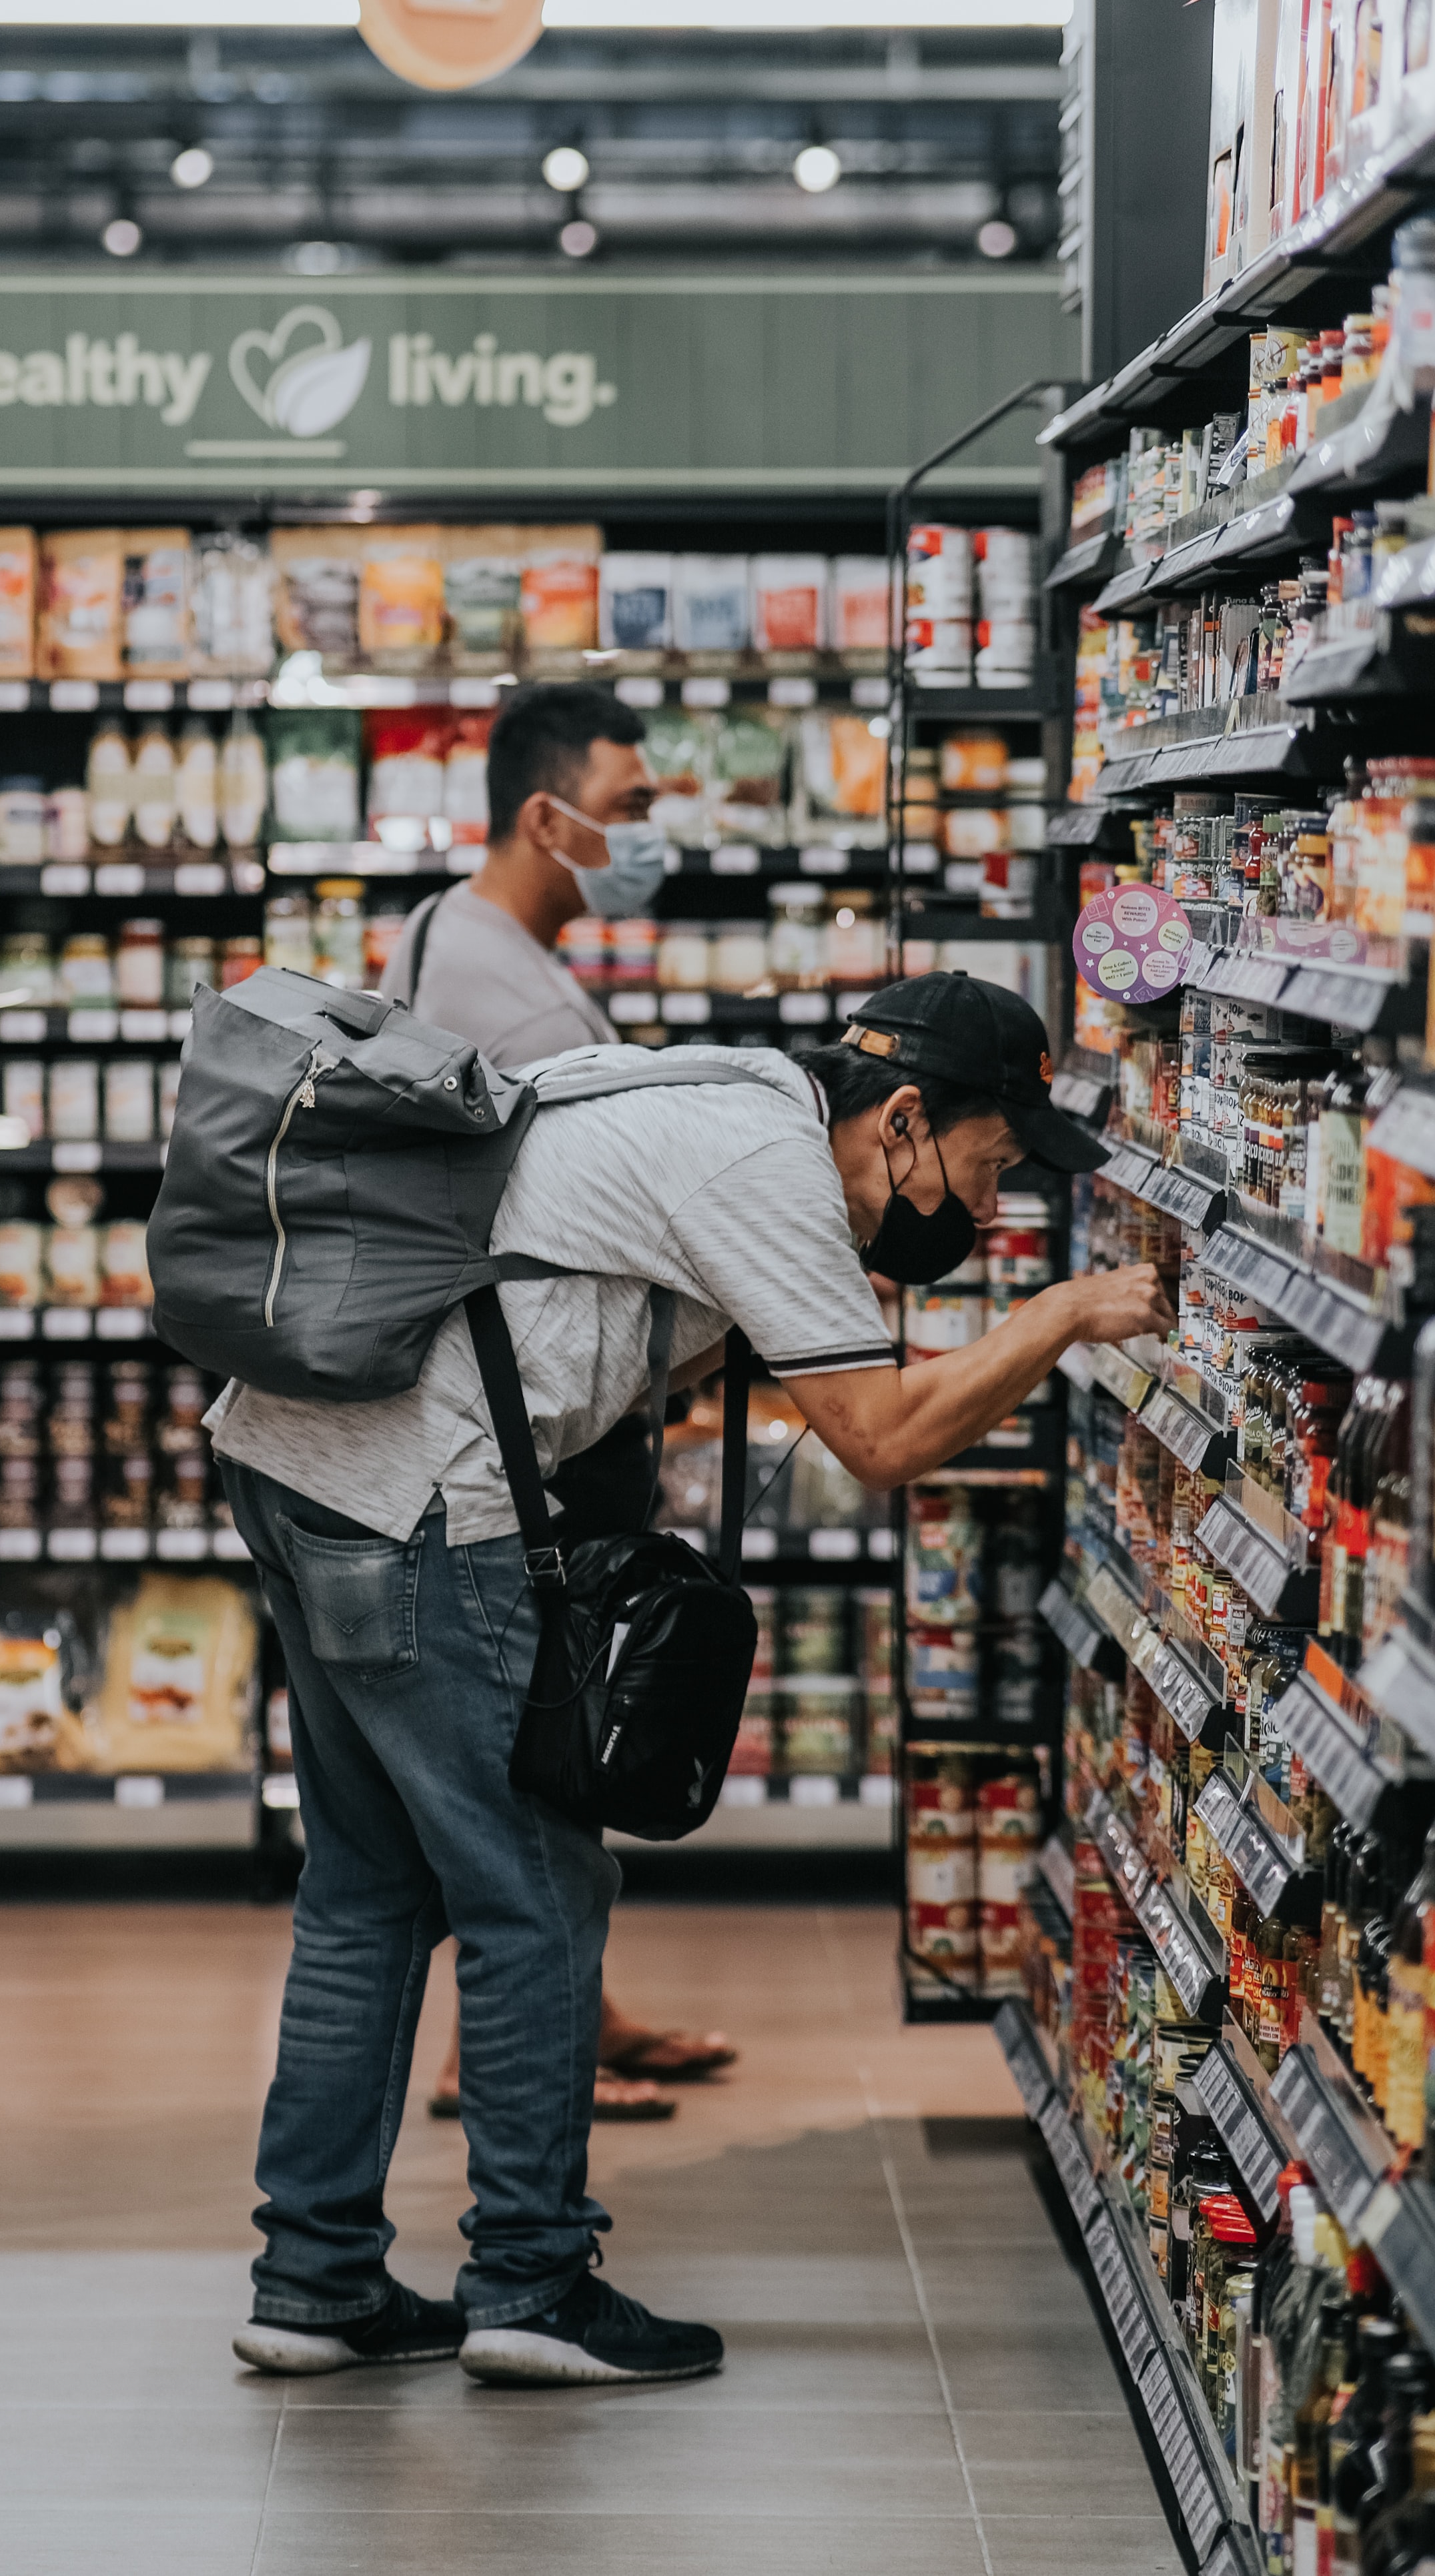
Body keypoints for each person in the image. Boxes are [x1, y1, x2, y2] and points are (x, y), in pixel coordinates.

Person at [216, 944, 1171, 2389]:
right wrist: (1058, 1315)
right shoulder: (768, 1162)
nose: (989, 1207)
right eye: (988, 1166)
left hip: (295, 1463)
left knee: (367, 1888)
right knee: (535, 1892)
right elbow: (884, 1437)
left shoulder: (716, 1087)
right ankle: (530, 2281)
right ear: (901, 1119)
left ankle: (315, 2280)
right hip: (420, 1505)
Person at [382, 684, 737, 2126]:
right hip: (523, 1429)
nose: (650, 834)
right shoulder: (519, 993)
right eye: (634, 805)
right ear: (551, 815)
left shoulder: (448, 930)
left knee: (533, 1756)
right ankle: (517, 2059)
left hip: (475, 1406)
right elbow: (600, 1224)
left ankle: (574, 2013)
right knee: (551, 1746)